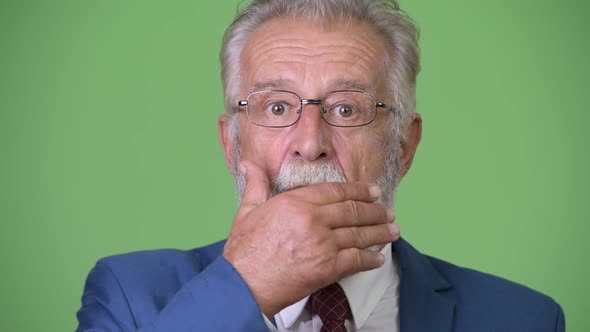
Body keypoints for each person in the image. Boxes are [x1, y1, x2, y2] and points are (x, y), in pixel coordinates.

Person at [76, 0, 565, 331]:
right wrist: (244, 286)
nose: (311, 145)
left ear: (403, 146)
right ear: (231, 145)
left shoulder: (523, 318)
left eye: (347, 109)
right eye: (275, 107)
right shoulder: (128, 297)